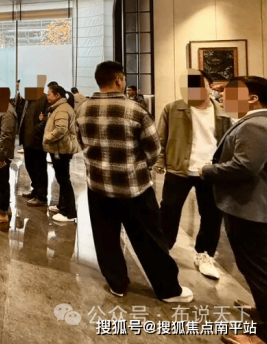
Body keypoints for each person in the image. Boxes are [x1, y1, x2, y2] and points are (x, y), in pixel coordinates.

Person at [76, 61, 192, 303]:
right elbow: (153, 149)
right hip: (134, 187)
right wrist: (137, 165)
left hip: (97, 185)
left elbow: (81, 142)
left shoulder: (83, 109)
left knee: (105, 238)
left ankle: (116, 283)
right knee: (149, 239)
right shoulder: (135, 110)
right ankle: (168, 290)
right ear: (119, 80)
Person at [200, 77, 267, 344]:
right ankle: (265, 310)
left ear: (252, 98)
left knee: (260, 270)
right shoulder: (257, 122)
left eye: (230, 93)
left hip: (251, 209)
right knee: (256, 267)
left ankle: (266, 334)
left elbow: (245, 167)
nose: (222, 97)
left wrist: (207, 170)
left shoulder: (257, 125)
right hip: (251, 207)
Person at [155, 69, 232, 280]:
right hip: (179, 168)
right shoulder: (173, 108)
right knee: (169, 210)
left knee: (212, 215)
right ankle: (162, 250)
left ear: (210, 86)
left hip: (211, 171)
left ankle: (204, 254)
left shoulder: (224, 111)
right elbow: (160, 137)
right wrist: (160, 161)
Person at [42, 85, 80, 223]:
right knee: (61, 178)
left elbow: (61, 130)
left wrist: (46, 138)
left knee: (64, 179)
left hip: (62, 149)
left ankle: (69, 213)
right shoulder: (58, 108)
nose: (47, 96)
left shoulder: (62, 109)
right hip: (59, 148)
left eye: (49, 94)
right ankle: (61, 205)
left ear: (58, 95)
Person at [18, 78, 50, 207]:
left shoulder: (44, 99)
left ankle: (41, 196)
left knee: (39, 168)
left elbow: (47, 119)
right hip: (27, 140)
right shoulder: (26, 100)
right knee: (30, 166)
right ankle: (35, 190)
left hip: (37, 140)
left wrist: (37, 130)